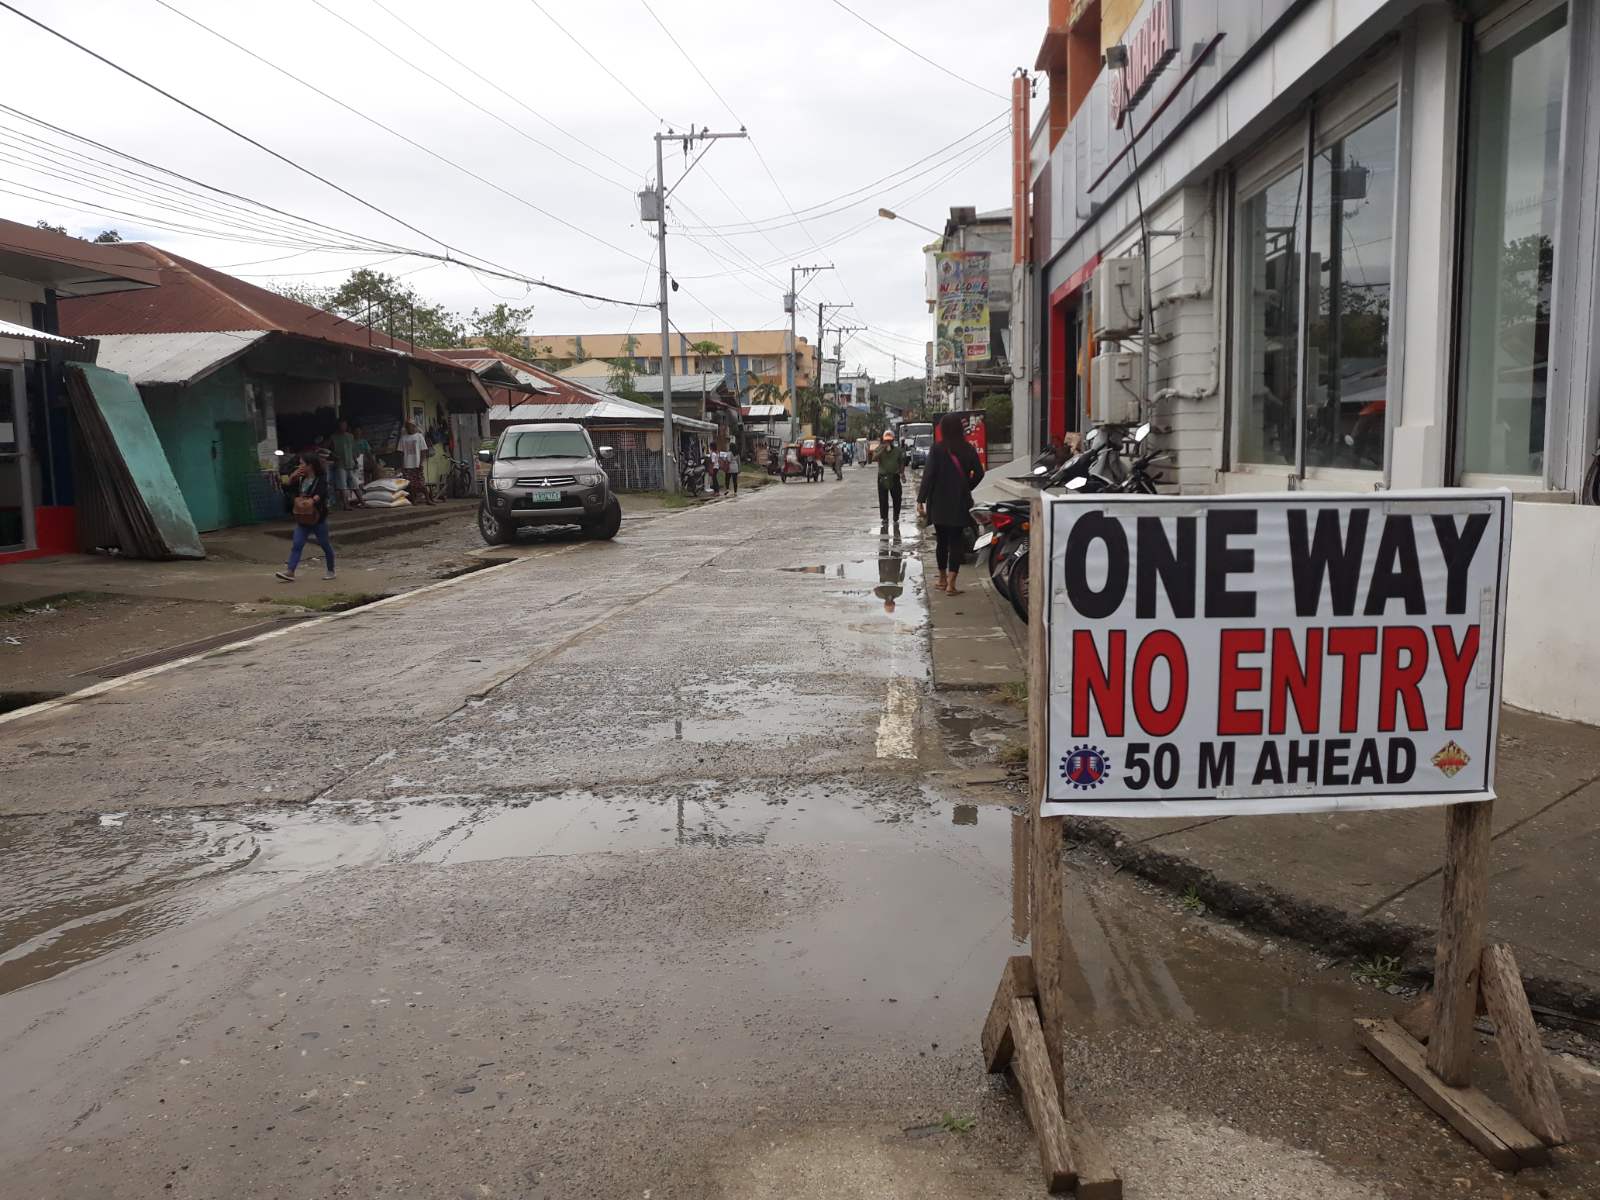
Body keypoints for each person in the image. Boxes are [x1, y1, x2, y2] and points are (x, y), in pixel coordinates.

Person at [918, 413, 985, 595]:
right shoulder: (968, 449)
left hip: (939, 502)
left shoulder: (936, 449)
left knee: (941, 542)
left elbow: (929, 475)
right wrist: (967, 486)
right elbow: (980, 473)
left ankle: (941, 579)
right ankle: (951, 584)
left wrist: (921, 499)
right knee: (956, 542)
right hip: (959, 502)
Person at [275, 454, 336, 582]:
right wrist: (292, 477)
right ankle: (290, 571)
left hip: (317, 517)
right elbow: (286, 488)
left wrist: (312, 500)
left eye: (302, 463)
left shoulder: (320, 478)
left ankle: (331, 570)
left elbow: (322, 492)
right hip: (302, 516)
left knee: (324, 544)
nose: (300, 466)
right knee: (297, 544)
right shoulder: (301, 478)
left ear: (310, 465)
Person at [398, 420, 433, 506]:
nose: (409, 428)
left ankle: (428, 499)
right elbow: (401, 453)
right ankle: (414, 500)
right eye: (407, 427)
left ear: (414, 426)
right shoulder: (403, 438)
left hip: (417, 464)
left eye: (410, 426)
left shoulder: (419, 436)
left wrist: (421, 463)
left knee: (421, 484)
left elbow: (423, 451)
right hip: (407, 465)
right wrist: (402, 465)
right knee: (411, 485)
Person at [876, 430, 906, 525]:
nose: (888, 442)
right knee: (883, 499)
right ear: (883, 440)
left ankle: (896, 516)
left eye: (890, 440)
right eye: (886, 440)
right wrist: (882, 450)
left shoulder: (898, 451)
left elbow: (901, 462)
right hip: (883, 477)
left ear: (893, 440)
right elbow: (873, 458)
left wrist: (902, 473)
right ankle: (884, 518)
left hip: (894, 477)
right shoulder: (879, 449)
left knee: (897, 498)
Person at [329, 419, 358, 510]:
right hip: (340, 464)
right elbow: (329, 450)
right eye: (341, 425)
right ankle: (346, 504)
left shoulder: (350, 436)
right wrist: (334, 456)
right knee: (343, 486)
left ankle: (362, 502)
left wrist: (355, 461)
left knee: (354, 484)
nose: (343, 427)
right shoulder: (333, 437)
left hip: (350, 463)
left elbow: (353, 450)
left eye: (345, 425)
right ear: (338, 426)